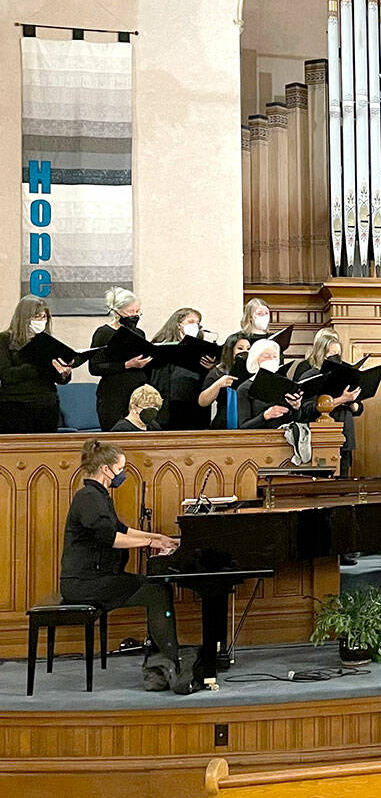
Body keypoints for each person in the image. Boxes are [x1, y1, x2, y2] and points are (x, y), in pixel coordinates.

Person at [59, 440, 183, 690]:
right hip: (84, 584)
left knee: (157, 587)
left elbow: (120, 528)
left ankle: (162, 664)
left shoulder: (98, 496)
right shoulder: (89, 499)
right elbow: (111, 538)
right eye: (121, 468)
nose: (123, 474)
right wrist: (149, 542)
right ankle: (169, 662)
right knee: (157, 591)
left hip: (97, 579)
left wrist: (157, 537)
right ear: (106, 469)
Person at [292, 328, 362, 476]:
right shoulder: (310, 375)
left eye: (338, 355)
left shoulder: (347, 372)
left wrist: (353, 403)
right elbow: (306, 410)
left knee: (344, 479)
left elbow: (359, 407)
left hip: (345, 432)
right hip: (320, 437)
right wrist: (341, 399)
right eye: (331, 355)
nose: (335, 359)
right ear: (321, 354)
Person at [0, 295, 72, 433]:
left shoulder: (48, 342)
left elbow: (59, 379)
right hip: (15, 406)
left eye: (44, 317)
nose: (42, 321)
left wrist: (64, 373)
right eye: (37, 317)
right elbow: (6, 375)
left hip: (46, 405)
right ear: (24, 318)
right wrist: (37, 365)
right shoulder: (4, 340)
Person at [90, 287, 152, 431]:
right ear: (117, 312)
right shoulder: (103, 333)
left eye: (138, 311)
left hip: (137, 393)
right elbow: (95, 367)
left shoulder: (139, 333)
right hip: (113, 395)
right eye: (131, 312)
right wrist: (127, 365)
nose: (135, 315)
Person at [149, 307, 215, 430]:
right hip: (168, 402)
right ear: (178, 324)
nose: (195, 326)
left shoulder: (201, 347)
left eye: (198, 323)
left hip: (194, 402)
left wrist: (212, 367)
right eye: (191, 322)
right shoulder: (160, 345)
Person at [235, 339, 315, 429]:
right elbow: (243, 426)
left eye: (274, 356)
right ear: (255, 358)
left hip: (285, 438)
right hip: (259, 439)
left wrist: (296, 408)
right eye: (266, 356)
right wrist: (265, 416)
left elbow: (297, 420)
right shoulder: (244, 388)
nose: (271, 359)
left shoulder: (285, 383)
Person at [200, 335, 250, 430]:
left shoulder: (253, 372)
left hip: (249, 425)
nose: (245, 352)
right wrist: (218, 384)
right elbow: (203, 402)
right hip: (223, 425)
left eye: (248, 349)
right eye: (240, 348)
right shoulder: (217, 373)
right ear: (230, 351)